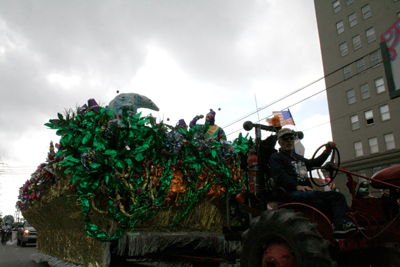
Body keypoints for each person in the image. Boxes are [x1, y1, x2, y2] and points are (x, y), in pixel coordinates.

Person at [269, 128, 359, 238]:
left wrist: (327, 151)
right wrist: (297, 186)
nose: (288, 141)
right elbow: (280, 176)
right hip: (290, 193)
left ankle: (341, 224)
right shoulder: (276, 157)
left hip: (307, 191)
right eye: (285, 139)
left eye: (291, 138)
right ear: (279, 142)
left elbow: (314, 163)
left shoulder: (299, 158)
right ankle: (322, 226)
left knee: (337, 196)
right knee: (309, 195)